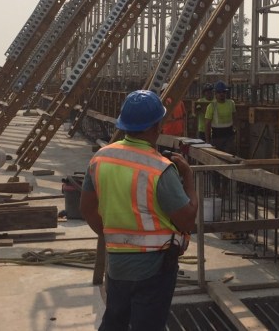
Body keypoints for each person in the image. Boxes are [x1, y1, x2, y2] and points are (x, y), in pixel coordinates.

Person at [80, 90, 198, 331]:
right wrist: (188, 176)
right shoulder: (160, 168)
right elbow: (187, 220)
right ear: (157, 126)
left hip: (117, 265)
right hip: (155, 268)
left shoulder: (101, 158)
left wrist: (114, 238)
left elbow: (87, 209)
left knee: (115, 322)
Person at [204, 81, 236, 154]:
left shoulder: (231, 103)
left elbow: (235, 116)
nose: (221, 94)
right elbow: (207, 124)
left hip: (229, 136)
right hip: (217, 138)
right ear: (215, 93)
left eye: (223, 92)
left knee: (229, 156)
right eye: (219, 92)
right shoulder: (211, 106)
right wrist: (208, 141)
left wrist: (235, 129)